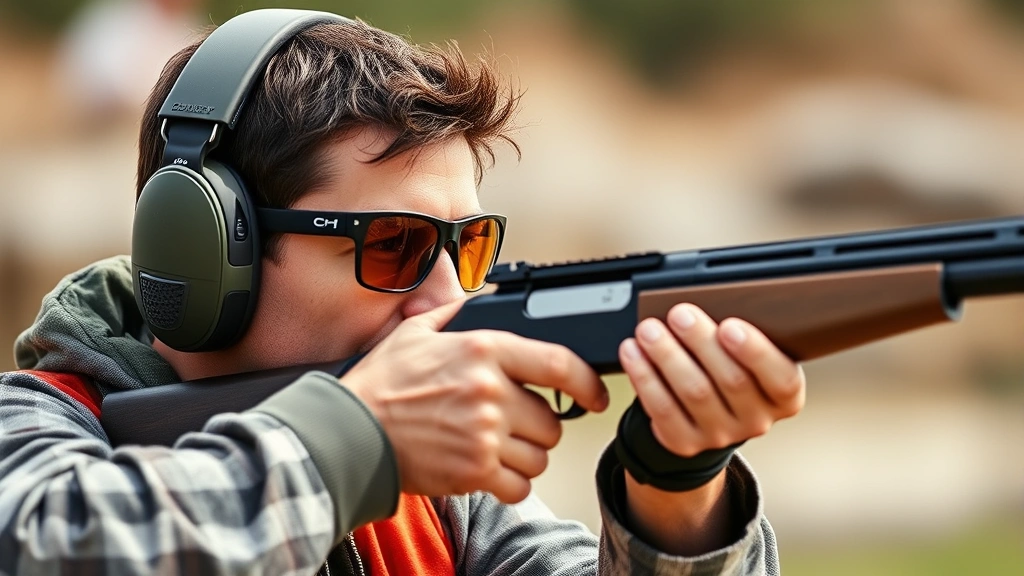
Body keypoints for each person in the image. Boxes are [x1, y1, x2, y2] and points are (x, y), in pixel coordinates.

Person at [0, 10, 805, 575]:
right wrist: (357, 440)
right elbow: (47, 548)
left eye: (469, 245)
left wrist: (677, 490)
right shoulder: (37, 427)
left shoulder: (433, 499)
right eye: (395, 245)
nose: (447, 300)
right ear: (211, 252)